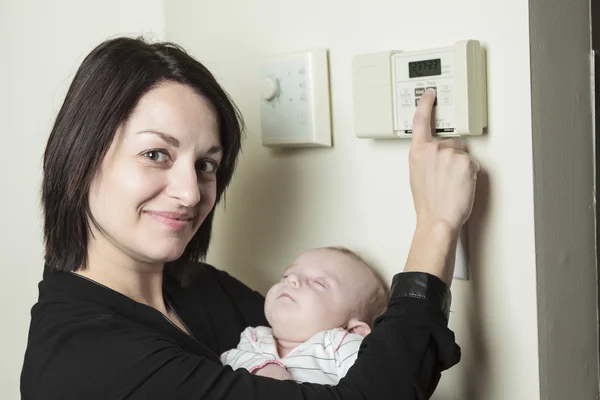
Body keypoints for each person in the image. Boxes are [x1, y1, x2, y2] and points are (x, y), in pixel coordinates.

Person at [20, 36, 479, 400]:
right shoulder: (85, 359)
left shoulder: (198, 289)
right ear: (81, 160)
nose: (189, 193)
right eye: (156, 154)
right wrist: (436, 223)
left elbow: (339, 350)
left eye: (206, 165)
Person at [220, 246, 389, 384]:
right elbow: (227, 363)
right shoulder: (254, 337)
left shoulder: (339, 345)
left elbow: (374, 384)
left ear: (354, 331)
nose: (291, 279)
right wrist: (266, 370)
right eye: (286, 275)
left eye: (319, 283)